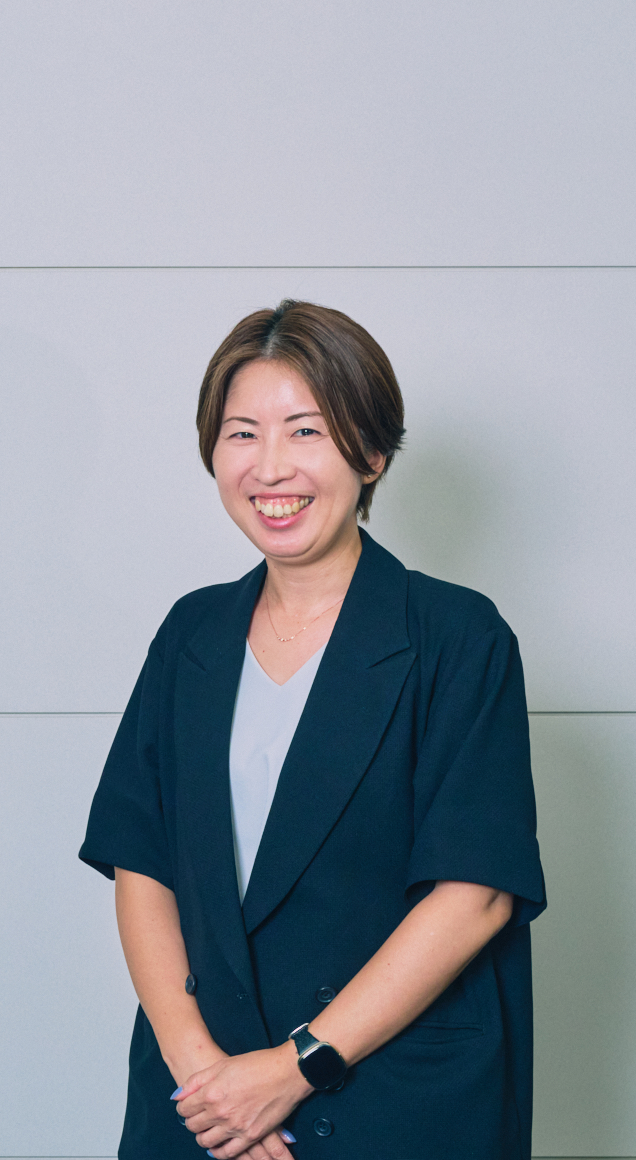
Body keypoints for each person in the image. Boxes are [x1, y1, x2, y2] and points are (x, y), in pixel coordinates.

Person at [80, 301, 544, 1160]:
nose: (270, 467)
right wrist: (206, 1082)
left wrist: (293, 1070)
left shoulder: (457, 637)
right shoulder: (191, 634)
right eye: (242, 434)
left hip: (391, 1102)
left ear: (371, 453)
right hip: (200, 1106)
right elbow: (141, 862)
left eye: (306, 431)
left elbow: (475, 893)